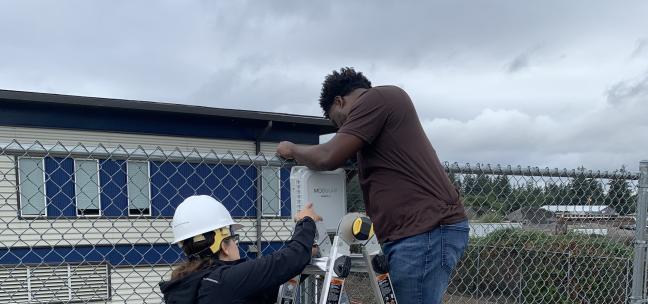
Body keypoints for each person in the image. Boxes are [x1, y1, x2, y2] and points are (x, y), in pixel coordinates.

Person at [276, 67, 469, 304]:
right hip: (416, 232)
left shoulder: (379, 98)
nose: (339, 129)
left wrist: (291, 149)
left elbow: (328, 156)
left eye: (335, 120)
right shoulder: (373, 130)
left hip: (424, 230)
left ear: (339, 101)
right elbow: (335, 160)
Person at [159, 195, 321, 304]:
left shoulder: (190, 285)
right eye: (235, 241)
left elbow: (267, 289)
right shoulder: (223, 281)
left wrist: (304, 259)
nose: (237, 246)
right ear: (224, 247)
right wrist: (306, 221)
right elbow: (287, 260)